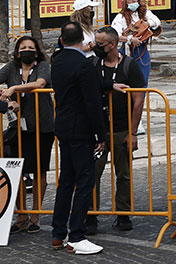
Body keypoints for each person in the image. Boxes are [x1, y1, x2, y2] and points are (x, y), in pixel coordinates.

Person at [51, 22, 106, 255]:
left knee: (66, 181)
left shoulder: (57, 61)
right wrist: (100, 134)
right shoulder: (84, 65)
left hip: (63, 126)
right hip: (81, 129)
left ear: (62, 40)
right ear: (83, 40)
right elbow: (92, 101)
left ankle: (58, 233)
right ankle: (76, 235)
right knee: (84, 181)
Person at [88, 27, 144, 234]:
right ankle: (90, 215)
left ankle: (123, 214)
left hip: (122, 129)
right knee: (92, 174)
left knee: (124, 174)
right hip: (97, 131)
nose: (95, 47)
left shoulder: (129, 66)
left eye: (99, 44)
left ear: (112, 45)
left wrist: (133, 132)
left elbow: (138, 100)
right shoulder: (93, 64)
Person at [1, 37, 53, 234]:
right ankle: (21, 214)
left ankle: (35, 215)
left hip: (42, 126)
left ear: (37, 52)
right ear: (17, 52)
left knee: (40, 171)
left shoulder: (43, 66)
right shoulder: (10, 68)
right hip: (19, 129)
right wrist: (5, 100)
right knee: (18, 171)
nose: (27, 50)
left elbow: (40, 84)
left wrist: (14, 88)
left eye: (31, 47)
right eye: (23, 48)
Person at [111, 0, 162, 87]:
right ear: (125, 2)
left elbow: (157, 21)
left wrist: (147, 24)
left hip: (142, 51)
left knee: (143, 81)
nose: (134, 1)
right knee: (126, 81)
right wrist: (130, 39)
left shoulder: (144, 13)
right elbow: (115, 35)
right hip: (127, 51)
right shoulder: (120, 17)